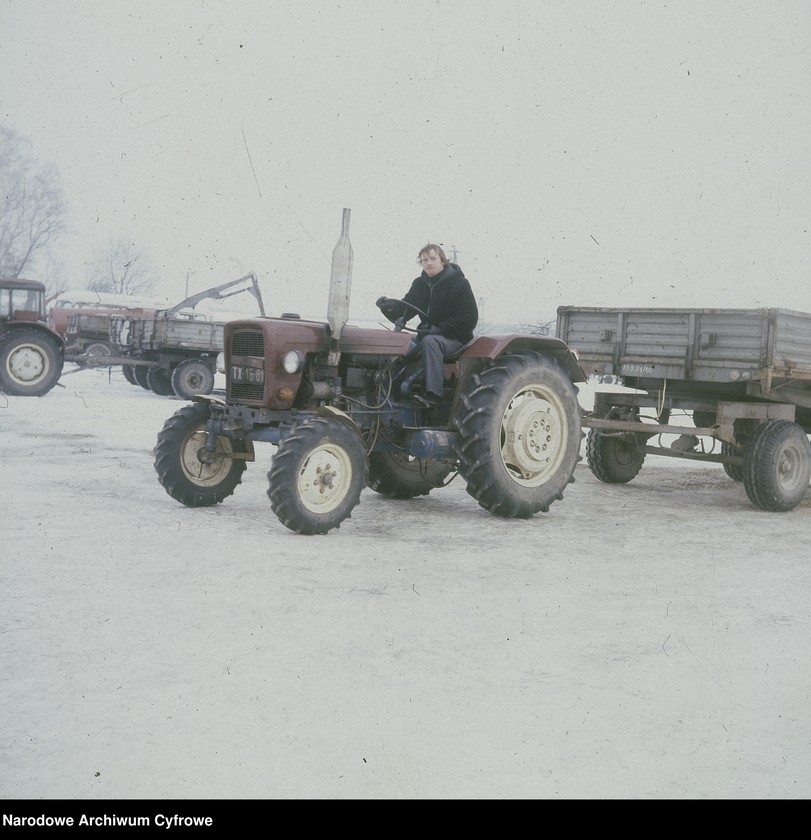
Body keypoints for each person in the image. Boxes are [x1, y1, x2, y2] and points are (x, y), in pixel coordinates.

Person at [376, 243, 478, 406]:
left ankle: (434, 397)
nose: (429, 263)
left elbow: (469, 319)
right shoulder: (419, 284)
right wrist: (388, 307)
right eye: (424, 260)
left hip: (456, 339)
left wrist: (439, 329)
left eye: (433, 258)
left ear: (442, 260)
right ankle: (392, 395)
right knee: (402, 345)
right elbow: (405, 310)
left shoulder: (459, 283)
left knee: (430, 342)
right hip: (428, 336)